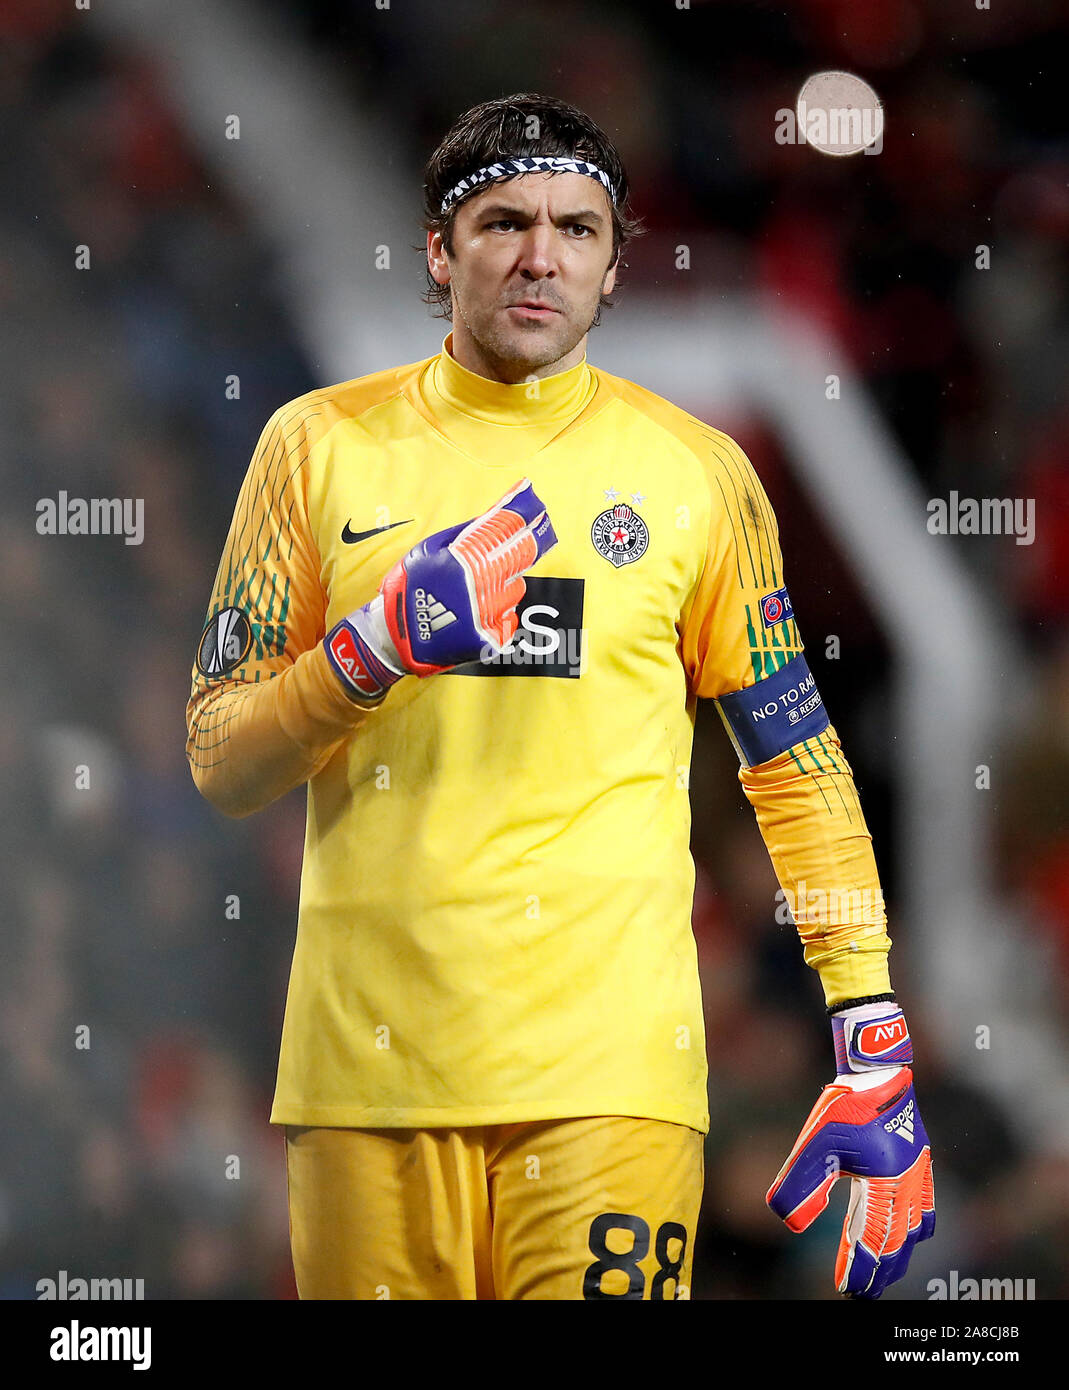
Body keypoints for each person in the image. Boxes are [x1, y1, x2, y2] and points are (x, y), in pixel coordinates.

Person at [185, 92, 934, 1300]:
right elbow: (221, 753)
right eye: (505, 222)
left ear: (615, 262)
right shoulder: (312, 448)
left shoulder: (697, 475)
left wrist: (869, 1019)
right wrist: (362, 657)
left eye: (578, 229)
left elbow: (795, 764)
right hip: (368, 1086)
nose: (542, 256)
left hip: (610, 1086)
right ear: (439, 248)